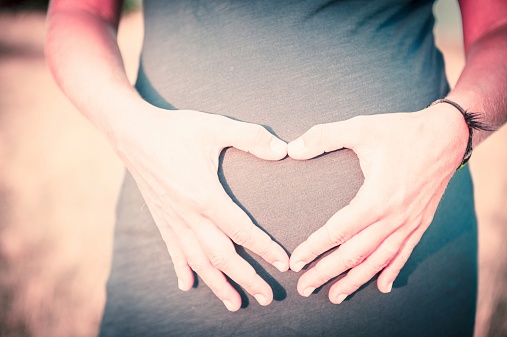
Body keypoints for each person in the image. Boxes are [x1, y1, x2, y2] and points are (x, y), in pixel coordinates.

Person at [46, 0, 507, 336]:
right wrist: (131, 127)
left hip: (408, 269)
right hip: (173, 270)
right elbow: (78, 13)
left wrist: (457, 127)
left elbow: (498, 28)